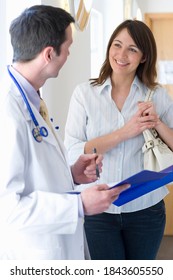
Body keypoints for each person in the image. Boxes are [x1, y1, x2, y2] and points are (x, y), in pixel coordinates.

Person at [0, 5, 129, 260]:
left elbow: (33, 174)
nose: (69, 53)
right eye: (68, 47)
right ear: (49, 54)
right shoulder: (7, 110)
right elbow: (8, 208)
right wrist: (79, 205)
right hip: (34, 256)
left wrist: (71, 174)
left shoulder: (32, 97)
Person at [64, 19, 173, 260]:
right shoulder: (84, 94)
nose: (122, 54)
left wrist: (157, 123)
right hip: (98, 209)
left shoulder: (156, 95)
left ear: (143, 57)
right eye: (117, 45)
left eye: (132, 49)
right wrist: (126, 131)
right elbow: (72, 150)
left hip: (147, 209)